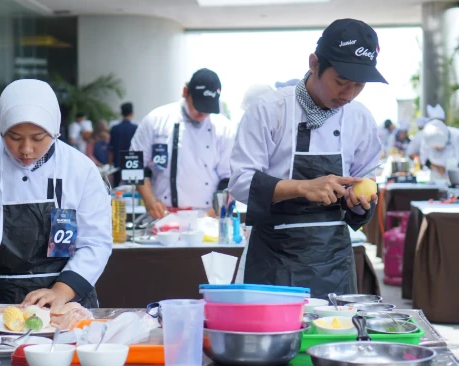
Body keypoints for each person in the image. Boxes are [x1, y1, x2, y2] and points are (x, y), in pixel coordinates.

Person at [229, 19, 383, 299]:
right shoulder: (270, 110)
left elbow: (367, 181)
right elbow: (240, 183)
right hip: (274, 257)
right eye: (340, 82)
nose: (348, 95)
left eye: (358, 85)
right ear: (314, 64)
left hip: (334, 261)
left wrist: (359, 202)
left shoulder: (360, 119)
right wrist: (303, 187)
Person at [0, 79, 112, 308]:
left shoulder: (80, 169)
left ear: (54, 131)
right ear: (1, 130)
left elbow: (96, 243)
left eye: (38, 138)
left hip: (63, 301)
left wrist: (60, 291)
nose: (26, 149)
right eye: (14, 137)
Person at [130, 68, 235, 219]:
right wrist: (150, 201)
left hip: (208, 215)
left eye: (208, 109)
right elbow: (135, 164)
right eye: (198, 106)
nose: (202, 113)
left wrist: (219, 209)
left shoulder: (224, 129)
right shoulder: (156, 120)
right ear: (185, 92)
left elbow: (230, 178)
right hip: (162, 215)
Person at [109, 102, 138, 186]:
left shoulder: (115, 128)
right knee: (131, 190)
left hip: (118, 164)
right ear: (132, 113)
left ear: (121, 113)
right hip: (132, 163)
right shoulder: (135, 128)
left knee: (118, 191)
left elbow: (111, 149)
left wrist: (110, 165)